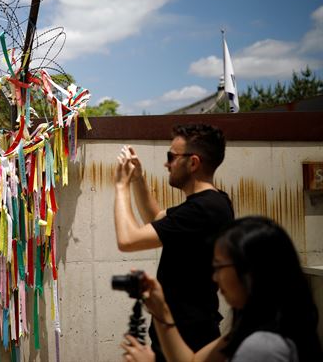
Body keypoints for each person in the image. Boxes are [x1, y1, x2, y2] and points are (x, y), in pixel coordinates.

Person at [121, 216, 323, 362]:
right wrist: (161, 310)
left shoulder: (263, 347)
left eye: (219, 267)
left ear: (249, 271)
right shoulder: (253, 328)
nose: (214, 277)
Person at [114, 123, 234, 360]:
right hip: (184, 329)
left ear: (193, 163)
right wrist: (138, 179)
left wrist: (120, 187)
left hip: (188, 335)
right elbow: (156, 218)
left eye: (171, 156)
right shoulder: (213, 203)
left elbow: (127, 240)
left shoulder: (202, 210)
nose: (166, 164)